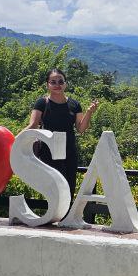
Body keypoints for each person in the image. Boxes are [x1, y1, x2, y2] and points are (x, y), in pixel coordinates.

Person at [27, 69, 99, 197]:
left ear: (65, 84)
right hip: (49, 152)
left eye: (61, 81)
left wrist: (89, 112)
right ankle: (55, 211)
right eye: (53, 82)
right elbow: (32, 125)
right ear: (47, 84)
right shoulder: (42, 103)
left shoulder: (74, 104)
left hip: (69, 152)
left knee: (69, 188)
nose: (57, 85)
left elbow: (81, 128)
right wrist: (14, 141)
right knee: (54, 189)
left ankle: (67, 211)